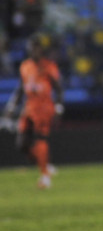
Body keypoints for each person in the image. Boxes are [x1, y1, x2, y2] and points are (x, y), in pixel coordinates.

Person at [2, 34, 64, 189]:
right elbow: (20, 89)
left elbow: (58, 87)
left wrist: (58, 106)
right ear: (29, 49)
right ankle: (44, 163)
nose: (35, 50)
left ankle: (45, 177)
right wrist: (11, 107)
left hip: (44, 108)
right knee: (22, 144)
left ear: (41, 49)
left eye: (37, 47)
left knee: (41, 139)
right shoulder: (25, 66)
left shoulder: (48, 66)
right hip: (29, 107)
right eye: (32, 47)